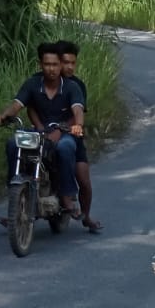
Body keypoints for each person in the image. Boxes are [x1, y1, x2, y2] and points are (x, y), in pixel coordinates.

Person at [0, 43, 83, 219]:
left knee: (65, 148)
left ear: (60, 65)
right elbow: (17, 105)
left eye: (55, 64)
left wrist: (77, 125)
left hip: (63, 132)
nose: (51, 69)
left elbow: (77, 110)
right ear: (40, 64)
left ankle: (67, 195)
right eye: (47, 64)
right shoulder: (32, 84)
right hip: (38, 132)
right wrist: (3, 116)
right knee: (13, 144)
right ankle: (15, 193)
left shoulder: (71, 87)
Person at [56, 40, 101, 233]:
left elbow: (78, 114)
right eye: (65, 62)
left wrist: (66, 128)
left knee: (83, 179)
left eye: (73, 63)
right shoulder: (42, 82)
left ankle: (86, 216)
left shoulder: (77, 85)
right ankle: (18, 211)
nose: (70, 67)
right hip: (45, 134)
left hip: (71, 135)